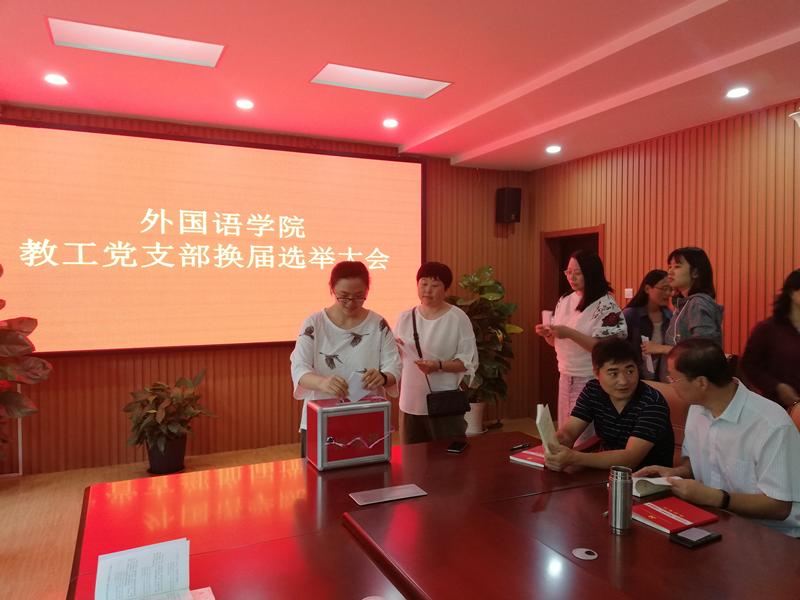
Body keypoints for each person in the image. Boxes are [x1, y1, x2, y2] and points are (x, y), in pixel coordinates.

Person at [636, 339, 800, 538]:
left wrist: (716, 498)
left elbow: (780, 506)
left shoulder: (771, 425)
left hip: (770, 536)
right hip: (713, 521)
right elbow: (695, 463)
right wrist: (676, 473)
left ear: (702, 383)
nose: (671, 385)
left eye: (674, 379)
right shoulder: (697, 408)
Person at [290, 261, 401, 457]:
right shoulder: (314, 323)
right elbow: (299, 368)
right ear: (332, 289)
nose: (351, 303)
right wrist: (322, 383)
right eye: (344, 296)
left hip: (367, 416)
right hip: (322, 416)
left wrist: (383, 377)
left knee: (370, 472)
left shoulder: (378, 324)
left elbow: (394, 366)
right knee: (318, 472)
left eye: (359, 296)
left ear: (367, 290)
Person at [545, 338, 673, 472]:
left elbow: (630, 458)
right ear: (596, 373)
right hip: (606, 473)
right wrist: (556, 443)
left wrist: (574, 457)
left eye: (630, 371)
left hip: (646, 478)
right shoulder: (593, 390)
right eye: (613, 373)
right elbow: (569, 432)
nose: (623, 381)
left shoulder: (652, 403)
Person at [535, 250, 627, 433]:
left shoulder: (605, 305)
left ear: (591, 273)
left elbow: (605, 349)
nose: (571, 277)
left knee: (584, 435)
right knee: (566, 432)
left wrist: (569, 333)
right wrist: (548, 334)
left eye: (577, 273)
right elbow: (556, 344)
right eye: (568, 272)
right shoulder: (565, 300)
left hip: (591, 377)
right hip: (565, 375)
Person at [394, 262, 478, 443]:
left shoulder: (457, 318)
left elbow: (468, 362)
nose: (427, 290)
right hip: (410, 403)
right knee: (411, 456)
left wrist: (438, 366)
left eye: (434, 285)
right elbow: (396, 359)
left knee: (448, 456)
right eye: (423, 284)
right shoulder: (405, 317)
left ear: (446, 289)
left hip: (444, 403)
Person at [642, 247, 722, 381]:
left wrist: (661, 348)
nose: (670, 272)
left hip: (691, 383)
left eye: (677, 266)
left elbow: (704, 350)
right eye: (669, 266)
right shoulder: (684, 303)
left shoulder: (697, 303)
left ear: (695, 272)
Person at [741, 269, 800, 423]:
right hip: (778, 411)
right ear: (793, 293)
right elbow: (749, 365)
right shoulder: (767, 329)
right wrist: (777, 386)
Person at [623, 270, 672, 380]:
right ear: (647, 289)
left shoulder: (670, 316)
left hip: (660, 378)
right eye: (664, 288)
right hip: (635, 378)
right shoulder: (631, 315)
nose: (668, 293)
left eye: (670, 289)